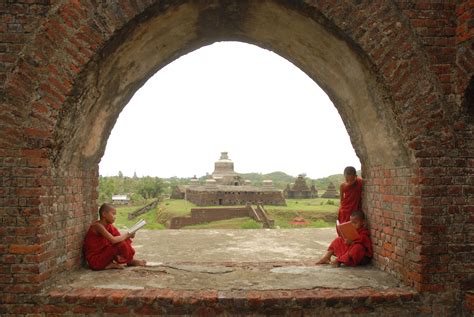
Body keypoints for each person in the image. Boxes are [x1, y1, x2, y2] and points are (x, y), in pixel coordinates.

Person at [83, 203, 146, 270]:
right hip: (95, 261)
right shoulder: (97, 226)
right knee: (120, 243)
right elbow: (113, 240)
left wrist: (131, 234)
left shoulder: (109, 226)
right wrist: (127, 234)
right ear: (104, 214)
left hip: (104, 254)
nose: (115, 217)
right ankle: (129, 261)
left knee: (124, 240)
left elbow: (119, 237)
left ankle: (124, 261)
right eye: (113, 214)